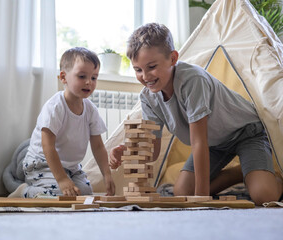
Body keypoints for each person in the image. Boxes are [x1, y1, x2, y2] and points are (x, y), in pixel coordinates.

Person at [109, 23, 282, 205]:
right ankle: (239, 173)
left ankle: (275, 180)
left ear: (173, 58)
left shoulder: (192, 81)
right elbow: (153, 151)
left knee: (264, 196)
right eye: (137, 70)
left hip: (246, 133)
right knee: (182, 191)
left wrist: (201, 198)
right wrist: (128, 151)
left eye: (151, 67)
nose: (145, 76)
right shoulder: (148, 98)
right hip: (215, 144)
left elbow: (199, 142)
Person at [10, 47, 115, 198]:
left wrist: (107, 175)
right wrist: (61, 179)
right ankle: (23, 192)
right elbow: (48, 146)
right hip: (42, 163)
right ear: (63, 77)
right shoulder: (55, 107)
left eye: (94, 78)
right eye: (82, 76)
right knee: (58, 194)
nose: (88, 82)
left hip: (71, 167)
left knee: (84, 193)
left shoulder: (90, 110)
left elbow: (98, 146)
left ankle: (60, 182)